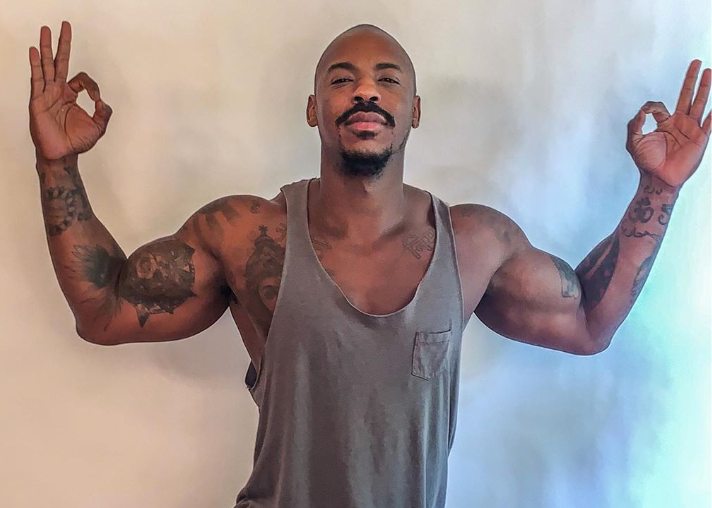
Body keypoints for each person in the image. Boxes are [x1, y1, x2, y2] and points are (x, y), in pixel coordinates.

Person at [29, 20, 710, 508]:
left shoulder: (475, 243)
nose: (365, 92)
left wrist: (659, 189)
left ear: (413, 111)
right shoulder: (245, 234)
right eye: (342, 79)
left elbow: (588, 322)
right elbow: (104, 311)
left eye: (387, 80)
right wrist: (56, 163)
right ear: (313, 109)